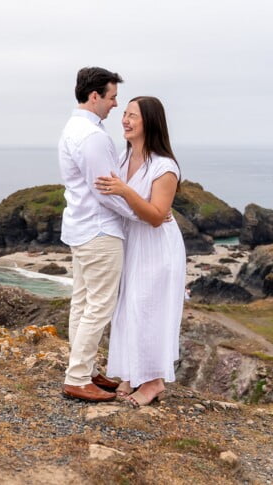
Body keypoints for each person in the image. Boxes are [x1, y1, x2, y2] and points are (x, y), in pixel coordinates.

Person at [94, 96, 186, 407]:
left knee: (147, 310)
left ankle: (154, 382)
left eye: (133, 115)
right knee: (127, 309)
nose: (125, 120)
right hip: (132, 243)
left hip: (156, 248)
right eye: (125, 114)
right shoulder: (123, 158)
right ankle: (132, 373)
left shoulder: (165, 167)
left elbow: (157, 216)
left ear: (150, 122)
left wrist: (125, 191)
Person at [58, 67, 141, 403]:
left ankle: (85, 370)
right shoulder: (93, 137)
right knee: (99, 306)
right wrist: (141, 214)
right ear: (95, 96)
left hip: (81, 228)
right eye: (112, 96)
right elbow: (106, 191)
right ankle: (77, 377)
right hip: (99, 230)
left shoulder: (73, 128)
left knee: (83, 302)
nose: (116, 104)